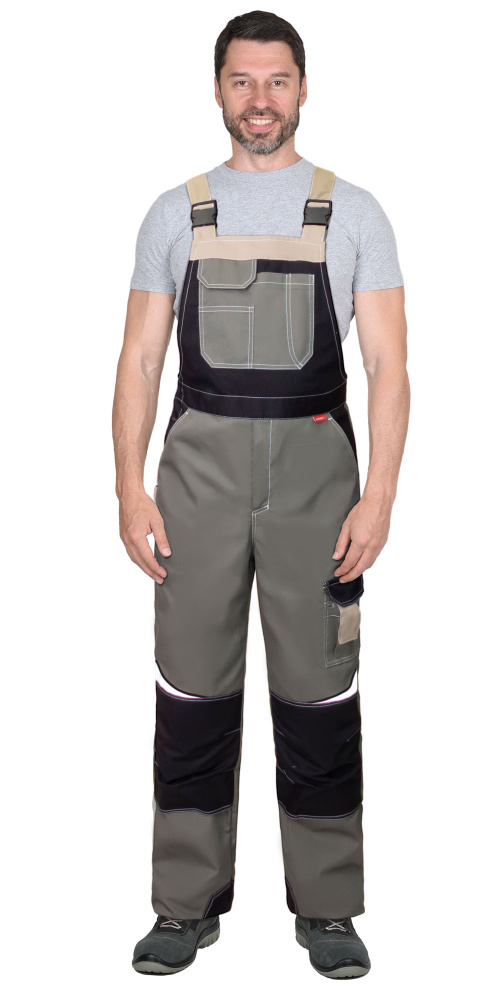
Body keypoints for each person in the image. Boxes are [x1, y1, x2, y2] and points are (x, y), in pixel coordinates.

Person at [112, 9, 409, 980]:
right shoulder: (175, 213)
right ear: (217, 91)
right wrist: (128, 488)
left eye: (277, 80)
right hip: (195, 482)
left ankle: (327, 908)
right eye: (241, 81)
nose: (259, 99)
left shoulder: (352, 212)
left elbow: (388, 366)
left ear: (303, 88)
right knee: (193, 690)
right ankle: (183, 905)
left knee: (319, 693)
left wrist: (379, 496)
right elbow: (140, 359)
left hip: (318, 484)